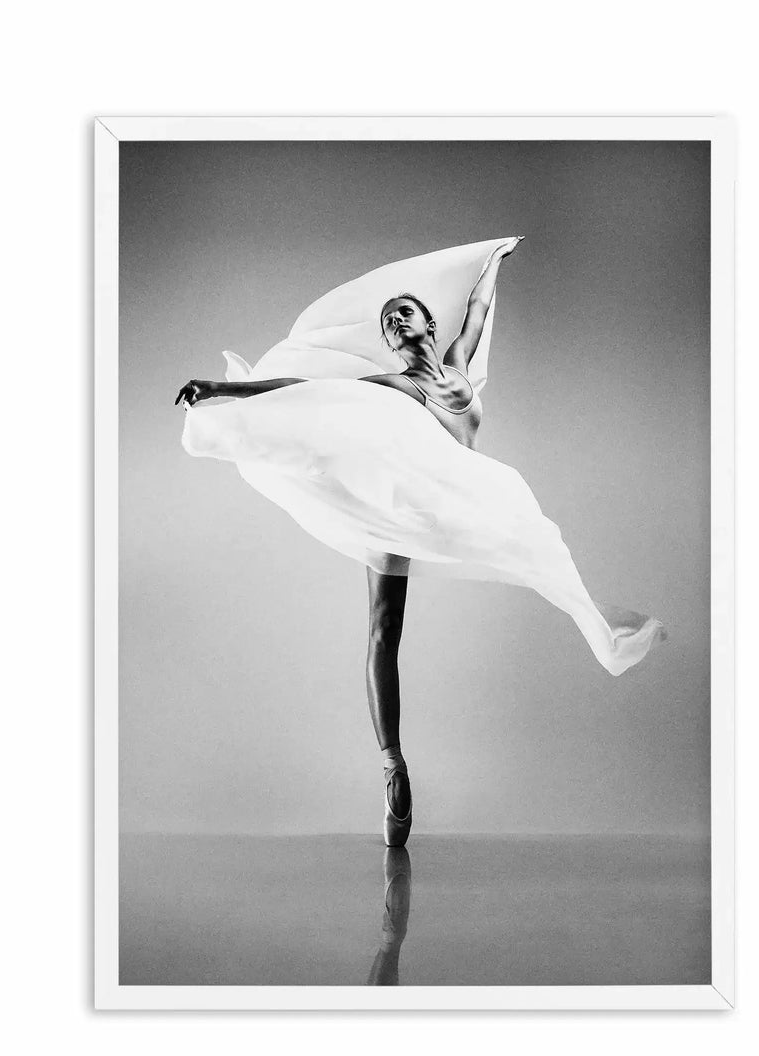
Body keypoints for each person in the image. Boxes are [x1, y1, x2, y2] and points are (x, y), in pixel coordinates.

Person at [176, 237, 665, 848]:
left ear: (428, 323)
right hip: (401, 505)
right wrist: (222, 392)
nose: (395, 323)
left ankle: (604, 623)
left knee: (541, 544)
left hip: (460, 499)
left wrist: (491, 259)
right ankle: (393, 768)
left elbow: (478, 309)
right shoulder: (393, 382)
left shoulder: (459, 364)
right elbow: (299, 387)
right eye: (387, 322)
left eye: (403, 313)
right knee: (385, 629)